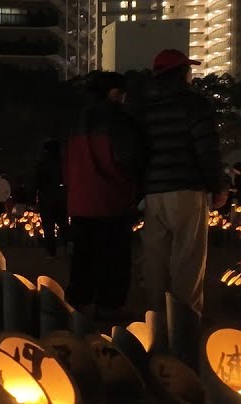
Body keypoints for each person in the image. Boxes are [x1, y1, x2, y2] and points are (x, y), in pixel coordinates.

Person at [137, 49, 227, 318]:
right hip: (187, 189)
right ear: (183, 74)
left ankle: (157, 318)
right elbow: (207, 149)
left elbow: (139, 151)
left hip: (153, 193)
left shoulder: (145, 110)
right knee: (187, 259)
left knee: (155, 259)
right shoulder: (194, 104)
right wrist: (218, 185)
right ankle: (184, 323)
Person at [64, 71, 140, 322]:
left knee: (83, 257)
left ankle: (79, 307)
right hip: (111, 199)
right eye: (122, 93)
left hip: (80, 201)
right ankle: (109, 308)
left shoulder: (75, 120)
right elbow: (127, 158)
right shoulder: (117, 120)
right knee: (115, 258)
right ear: (113, 93)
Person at [34, 140, 67, 258]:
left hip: (46, 198)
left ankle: (51, 252)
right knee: (63, 225)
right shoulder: (63, 163)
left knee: (48, 227)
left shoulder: (42, 164)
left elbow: (36, 182)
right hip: (61, 197)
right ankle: (68, 247)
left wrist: (34, 200)